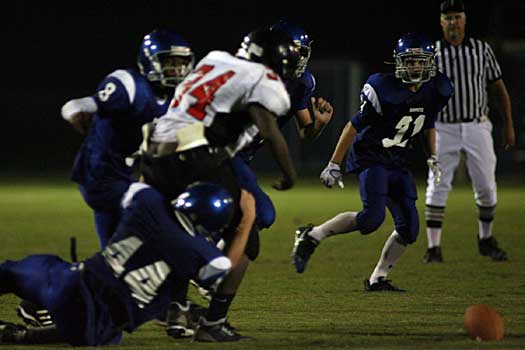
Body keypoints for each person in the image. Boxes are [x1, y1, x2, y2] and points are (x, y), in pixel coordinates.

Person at [140, 27, 300, 340]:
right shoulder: (262, 79)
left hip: (154, 150)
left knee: (182, 228)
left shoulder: (215, 59)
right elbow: (268, 129)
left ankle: (175, 306)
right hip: (193, 152)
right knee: (247, 225)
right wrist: (289, 174)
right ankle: (214, 319)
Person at [0, 182, 256, 346]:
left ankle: (34, 307)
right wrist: (247, 221)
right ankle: (19, 336)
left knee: (13, 272)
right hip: (96, 324)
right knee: (105, 333)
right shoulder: (202, 253)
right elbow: (225, 266)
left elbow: (140, 185)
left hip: (70, 283)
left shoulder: (149, 204)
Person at [292, 33, 453, 291]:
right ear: (399, 62)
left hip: (398, 159)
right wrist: (334, 163)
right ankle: (312, 235)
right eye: (409, 61)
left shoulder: (438, 89)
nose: (413, 67)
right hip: (372, 155)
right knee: (371, 219)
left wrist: (432, 156)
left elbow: (427, 123)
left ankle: (378, 278)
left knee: (410, 229)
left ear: (429, 63)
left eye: (419, 61)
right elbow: (353, 126)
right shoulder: (384, 88)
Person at [61, 29, 194, 249]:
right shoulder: (129, 85)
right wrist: (75, 112)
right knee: (156, 212)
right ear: (150, 61)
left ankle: (106, 273)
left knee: (115, 246)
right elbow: (81, 104)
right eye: (170, 62)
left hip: (125, 174)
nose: (177, 69)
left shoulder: (176, 96)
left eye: (181, 63)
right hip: (100, 174)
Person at [423, 0, 515, 263]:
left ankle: (485, 239)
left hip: (477, 124)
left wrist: (508, 125)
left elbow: (499, 89)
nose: (453, 22)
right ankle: (433, 248)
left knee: (486, 186)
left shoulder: (480, 49)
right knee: (437, 185)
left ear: (464, 20)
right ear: (441, 22)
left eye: (457, 17)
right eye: (448, 17)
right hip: (443, 126)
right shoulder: (433, 53)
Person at [232, 20, 334, 230]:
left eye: (300, 52)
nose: (296, 57)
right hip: (223, 151)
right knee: (260, 214)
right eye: (291, 51)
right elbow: (268, 129)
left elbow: (306, 133)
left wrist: (319, 124)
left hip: (241, 157)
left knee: (256, 217)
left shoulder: (302, 83)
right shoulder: (252, 73)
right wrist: (289, 173)